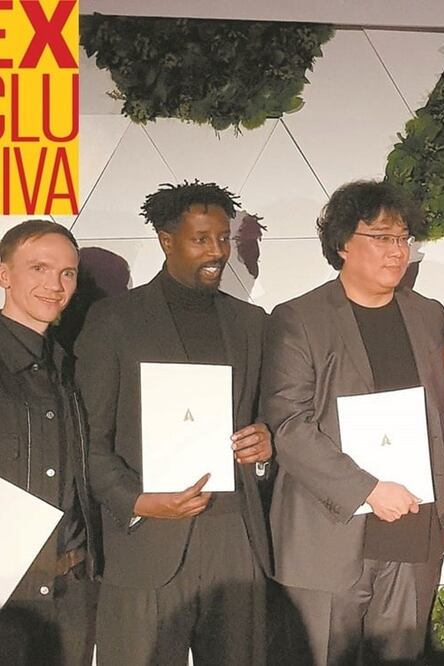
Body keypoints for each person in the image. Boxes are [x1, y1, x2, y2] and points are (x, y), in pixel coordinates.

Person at [75, 182, 274, 665]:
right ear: (166, 240)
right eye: (201, 239)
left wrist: (266, 444)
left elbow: (269, 418)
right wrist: (138, 500)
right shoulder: (114, 321)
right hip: (147, 543)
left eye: (224, 239)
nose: (217, 252)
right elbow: (88, 440)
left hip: (235, 544)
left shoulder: (252, 322)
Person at [262, 180, 444, 665]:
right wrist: (368, 488)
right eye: (381, 237)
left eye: (404, 238)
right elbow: (288, 425)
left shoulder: (430, 316)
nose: (397, 251)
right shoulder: (299, 318)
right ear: (343, 243)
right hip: (329, 533)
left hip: (413, 530)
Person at [0, 220, 101, 666]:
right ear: (4, 275)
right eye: (39, 268)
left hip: (74, 592)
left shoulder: (73, 371)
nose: (55, 284)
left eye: (67, 272)